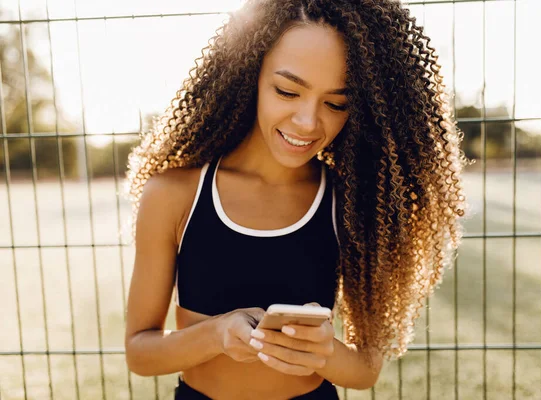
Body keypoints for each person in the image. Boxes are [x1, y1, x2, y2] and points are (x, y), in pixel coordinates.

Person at [124, 0, 466, 399]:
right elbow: (140, 353)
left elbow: (365, 370)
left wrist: (325, 353)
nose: (307, 122)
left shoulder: (352, 205)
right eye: (287, 91)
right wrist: (217, 334)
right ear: (248, 74)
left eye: (336, 103)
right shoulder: (174, 194)